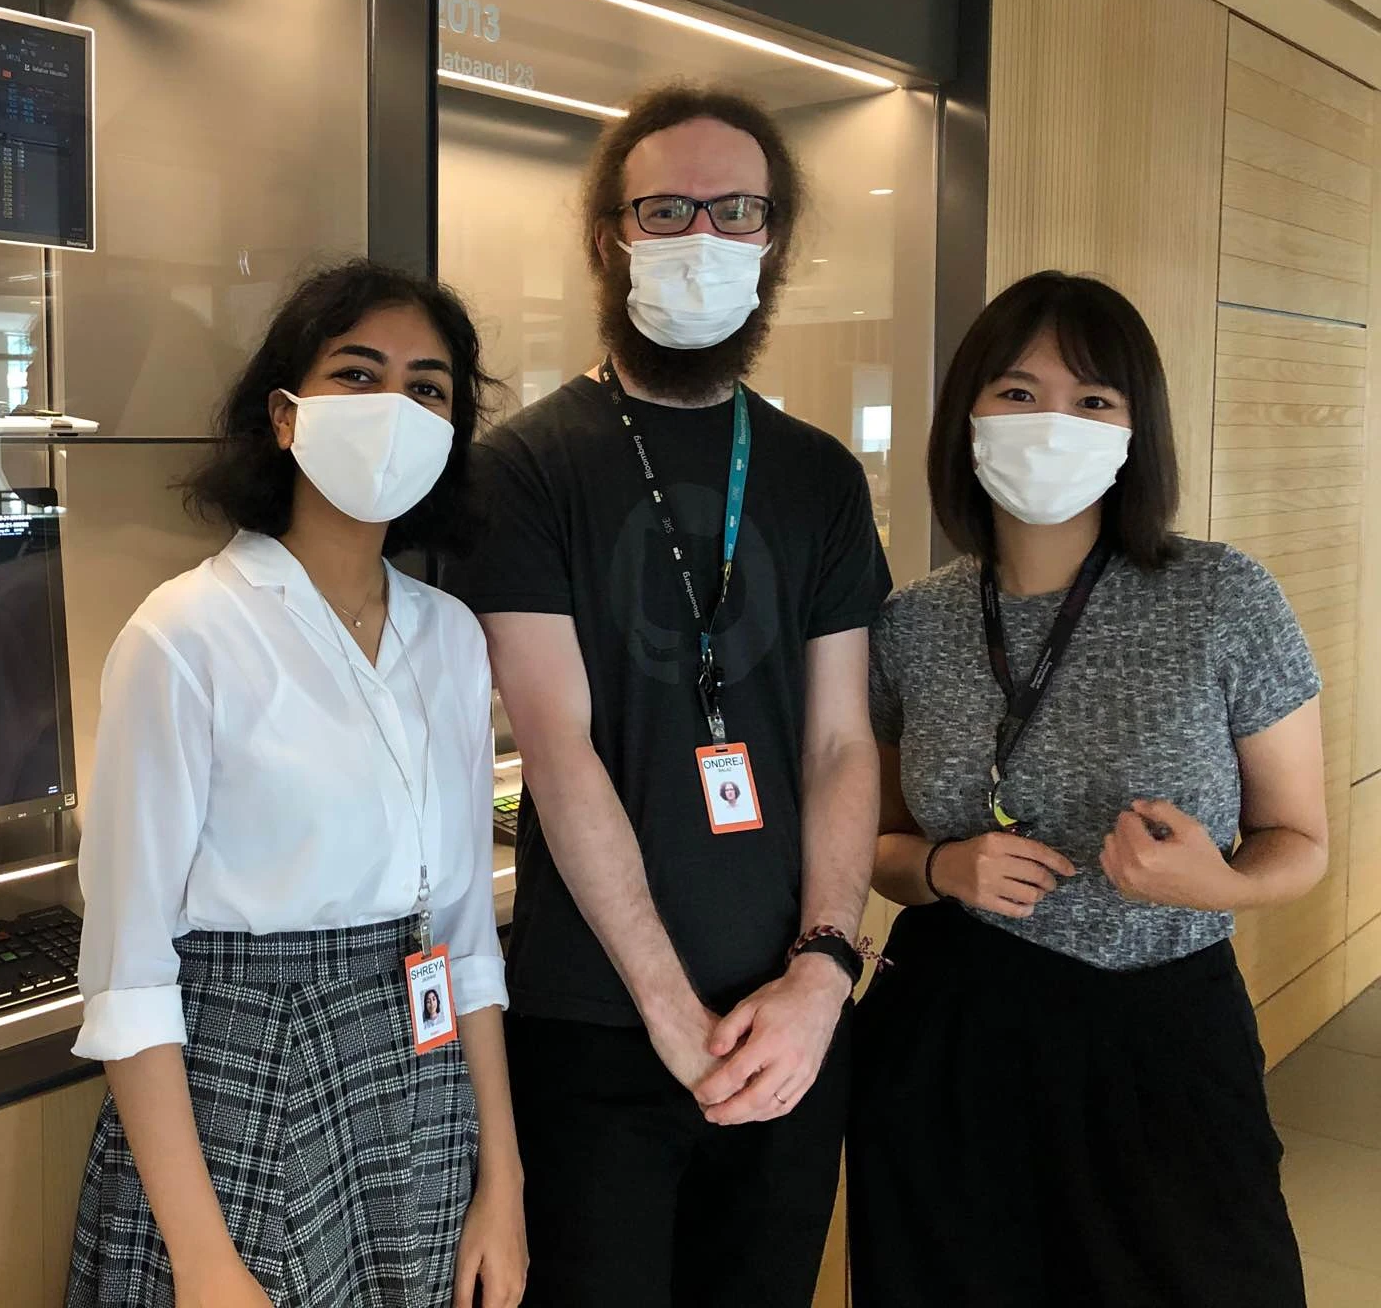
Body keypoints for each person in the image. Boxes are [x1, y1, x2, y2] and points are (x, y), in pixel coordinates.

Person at [442, 83, 891, 1306]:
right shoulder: (524, 468)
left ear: (773, 244)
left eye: (735, 209)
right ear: (610, 237)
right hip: (596, 1020)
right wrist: (668, 1007)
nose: (702, 236)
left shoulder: (817, 478)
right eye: (666, 208)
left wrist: (822, 972)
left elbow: (844, 740)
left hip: (791, 1019)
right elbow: (558, 742)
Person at [849, 271, 1326, 1308]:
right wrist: (940, 866)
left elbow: (1302, 838)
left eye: (1093, 400)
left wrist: (1220, 884)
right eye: (1017, 393)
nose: (1051, 422)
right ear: (966, 412)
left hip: (1160, 1029)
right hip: (951, 1032)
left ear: (1132, 430)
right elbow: (871, 842)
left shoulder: (1221, 595)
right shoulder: (910, 625)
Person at [68, 261, 526, 1308]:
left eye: (428, 389)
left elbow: (464, 935)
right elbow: (128, 975)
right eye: (357, 376)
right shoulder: (185, 634)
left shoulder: (451, 638)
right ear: (285, 416)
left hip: (422, 1084)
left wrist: (505, 1180)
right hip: (244, 1082)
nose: (393, 411)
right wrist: (203, 1263)